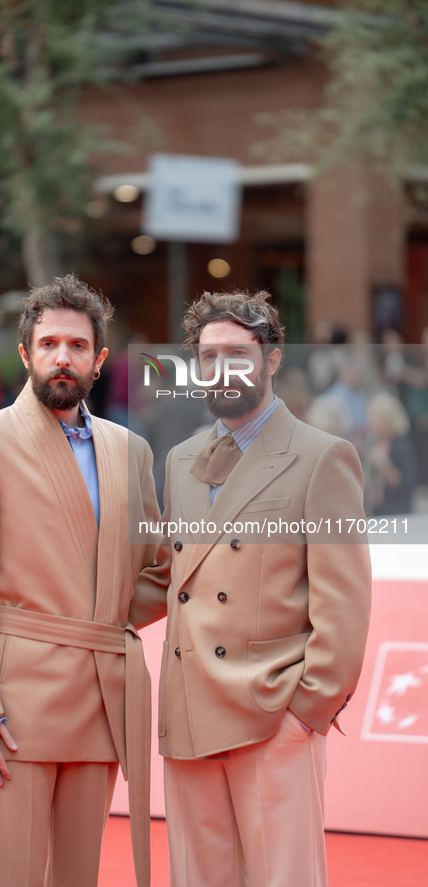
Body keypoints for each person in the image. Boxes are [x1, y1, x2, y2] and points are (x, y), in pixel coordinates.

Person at [135, 289, 372, 887]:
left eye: (238, 354)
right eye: (209, 357)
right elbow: (173, 577)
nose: (223, 371)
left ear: (271, 358)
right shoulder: (181, 459)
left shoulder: (324, 458)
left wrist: (305, 713)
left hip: (273, 717)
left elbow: (343, 605)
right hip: (189, 716)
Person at [0, 274, 160, 887]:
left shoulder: (130, 450)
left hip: (100, 696)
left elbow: (159, 568)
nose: (64, 356)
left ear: (100, 360)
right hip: (11, 708)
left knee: (76, 876)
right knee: (8, 873)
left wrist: (101, 614)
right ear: (27, 353)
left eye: (78, 346)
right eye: (51, 343)